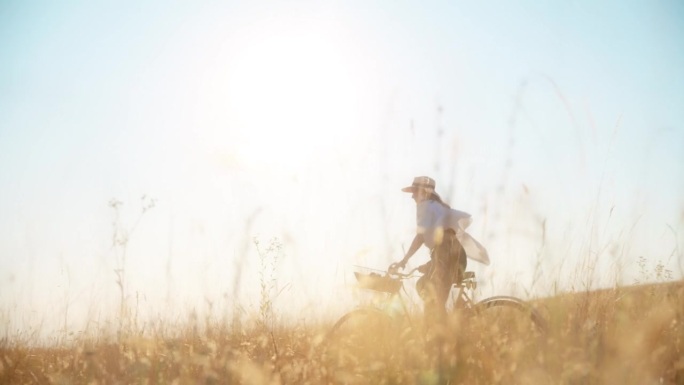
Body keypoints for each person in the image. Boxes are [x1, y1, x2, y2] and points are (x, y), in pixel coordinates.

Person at [391, 176, 490, 336]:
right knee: (432, 295)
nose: (412, 196)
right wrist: (430, 264)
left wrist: (404, 260)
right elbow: (444, 241)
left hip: (445, 254)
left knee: (431, 299)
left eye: (414, 192)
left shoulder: (424, 206)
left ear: (424, 192)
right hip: (454, 254)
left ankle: (444, 338)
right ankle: (447, 333)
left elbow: (421, 237)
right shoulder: (437, 207)